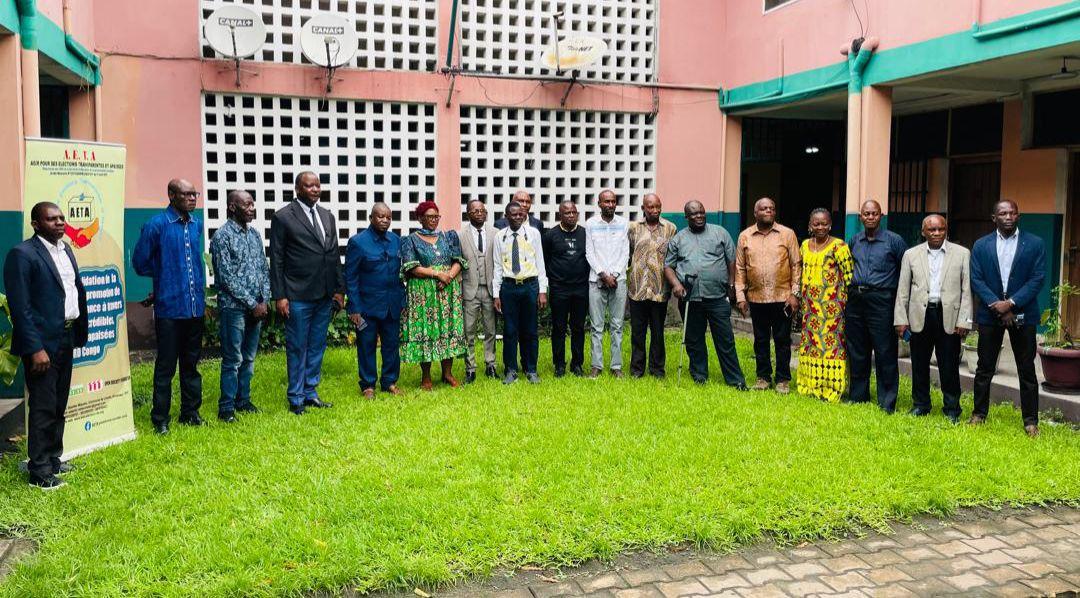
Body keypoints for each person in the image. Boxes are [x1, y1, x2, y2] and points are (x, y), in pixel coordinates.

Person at [3, 203, 88, 490]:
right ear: (36, 224)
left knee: (59, 403)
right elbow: (20, 307)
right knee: (43, 405)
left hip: (67, 336)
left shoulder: (66, 250)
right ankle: (39, 471)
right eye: (52, 219)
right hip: (42, 344)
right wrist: (35, 348)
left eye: (61, 218)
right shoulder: (22, 254)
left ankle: (53, 457)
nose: (60, 223)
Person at [132, 179, 207, 434]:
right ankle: (160, 419)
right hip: (169, 309)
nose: (192, 198)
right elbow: (140, 262)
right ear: (172, 195)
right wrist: (165, 275)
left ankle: (190, 413)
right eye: (186, 194)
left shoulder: (196, 224)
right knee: (166, 366)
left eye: (194, 194)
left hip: (194, 306)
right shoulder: (157, 224)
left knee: (191, 364)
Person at [269, 171, 343, 415]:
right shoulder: (283, 217)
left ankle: (310, 392)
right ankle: (296, 397)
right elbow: (277, 259)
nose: (315, 189)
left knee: (317, 346)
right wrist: (280, 296)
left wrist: (339, 290)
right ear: (298, 189)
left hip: (324, 294)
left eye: (317, 185)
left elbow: (333, 254)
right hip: (297, 295)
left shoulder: (327, 216)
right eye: (309, 186)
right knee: (298, 347)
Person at [970, 200, 1046, 436]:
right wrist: (998, 306)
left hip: (1022, 313)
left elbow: (1037, 278)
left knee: (1027, 369)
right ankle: (979, 414)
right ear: (994, 218)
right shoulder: (981, 245)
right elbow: (977, 279)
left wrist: (1011, 303)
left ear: (1018, 216)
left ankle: (1030, 421)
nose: (1008, 217)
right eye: (1003, 213)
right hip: (990, 314)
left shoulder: (1035, 243)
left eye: (1013, 213)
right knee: (984, 367)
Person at [894, 214, 972, 423]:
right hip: (920, 315)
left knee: (949, 365)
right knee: (919, 363)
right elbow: (903, 290)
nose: (937, 233)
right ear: (923, 232)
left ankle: (952, 409)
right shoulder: (911, 255)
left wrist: (964, 320)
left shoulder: (962, 253)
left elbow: (966, 290)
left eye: (941, 229)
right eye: (932, 230)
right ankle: (921, 405)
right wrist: (901, 319)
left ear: (946, 230)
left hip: (949, 316)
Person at [663, 200, 747, 389]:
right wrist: (676, 284)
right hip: (690, 297)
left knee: (725, 339)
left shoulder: (720, 233)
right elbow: (668, 266)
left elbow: (731, 260)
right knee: (694, 339)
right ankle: (699, 375)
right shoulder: (678, 239)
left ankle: (735, 379)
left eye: (701, 212)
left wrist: (731, 284)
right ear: (687, 217)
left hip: (717, 296)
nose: (699, 216)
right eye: (694, 214)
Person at [209, 190, 271, 423]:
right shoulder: (222, 237)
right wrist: (252, 303)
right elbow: (225, 277)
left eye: (253, 204)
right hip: (233, 308)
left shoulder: (254, 235)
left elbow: (263, 269)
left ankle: (243, 400)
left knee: (249, 358)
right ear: (232, 207)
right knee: (233, 359)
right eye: (247, 205)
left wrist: (264, 299)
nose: (252, 209)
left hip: (256, 307)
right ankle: (226, 407)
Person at [846, 199, 908, 413]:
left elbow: (905, 271)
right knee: (857, 349)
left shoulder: (894, 241)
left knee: (885, 351)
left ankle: (887, 401)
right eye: (866, 214)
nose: (870, 217)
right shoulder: (854, 241)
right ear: (860, 217)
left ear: (881, 216)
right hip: (856, 300)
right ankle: (858, 395)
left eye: (874, 213)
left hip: (882, 300)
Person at [735, 198, 801, 393]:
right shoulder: (745, 236)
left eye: (772, 208)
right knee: (760, 340)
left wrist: (795, 294)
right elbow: (740, 268)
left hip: (783, 298)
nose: (768, 211)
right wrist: (740, 296)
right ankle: (763, 377)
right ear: (755, 213)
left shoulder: (787, 234)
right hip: (756, 298)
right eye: (764, 209)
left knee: (782, 340)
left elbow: (796, 265)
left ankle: (782, 379)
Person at [399, 201, 467, 390]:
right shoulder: (410, 240)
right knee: (427, 331)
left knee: (448, 328)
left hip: (447, 291)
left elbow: (458, 261)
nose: (433, 220)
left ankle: (447, 373)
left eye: (436, 216)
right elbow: (411, 267)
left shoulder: (448, 236)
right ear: (420, 218)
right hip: (424, 294)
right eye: (429, 217)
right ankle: (426, 377)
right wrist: (437, 274)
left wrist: (448, 277)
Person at [345, 203, 405, 398]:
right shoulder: (358, 242)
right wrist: (354, 307)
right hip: (366, 307)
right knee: (366, 345)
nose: (385, 220)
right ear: (371, 218)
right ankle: (368, 384)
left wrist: (402, 300)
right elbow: (351, 277)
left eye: (388, 217)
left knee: (391, 345)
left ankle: (390, 381)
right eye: (380, 216)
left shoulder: (396, 241)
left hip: (392, 305)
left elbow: (401, 274)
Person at [796, 208, 854, 403]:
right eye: (816, 224)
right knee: (811, 345)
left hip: (832, 310)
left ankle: (833, 387)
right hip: (810, 309)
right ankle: (810, 384)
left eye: (824, 223)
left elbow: (849, 277)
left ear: (830, 225)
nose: (820, 227)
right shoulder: (804, 245)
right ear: (810, 225)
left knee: (832, 346)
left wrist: (847, 304)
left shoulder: (839, 246)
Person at [493, 201, 548, 384]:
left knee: (530, 330)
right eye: (513, 214)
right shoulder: (500, 236)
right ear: (506, 216)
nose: (518, 217)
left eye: (520, 214)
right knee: (509, 331)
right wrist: (496, 294)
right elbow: (497, 267)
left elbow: (540, 263)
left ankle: (531, 369)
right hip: (508, 287)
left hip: (529, 286)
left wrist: (542, 291)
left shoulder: (533, 234)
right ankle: (511, 370)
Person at [627, 193, 676, 378]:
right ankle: (637, 369)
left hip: (659, 289)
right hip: (637, 289)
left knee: (657, 332)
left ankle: (657, 369)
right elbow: (629, 253)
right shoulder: (633, 228)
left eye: (658, 206)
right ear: (643, 208)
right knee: (637, 332)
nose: (655, 210)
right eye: (651, 207)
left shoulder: (670, 229)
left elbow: (672, 257)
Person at [585, 189, 630, 378]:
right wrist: (603, 274)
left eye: (613, 201)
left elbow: (625, 252)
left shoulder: (623, 223)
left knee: (617, 326)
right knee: (596, 326)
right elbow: (589, 253)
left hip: (618, 281)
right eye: (606, 201)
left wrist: (615, 274)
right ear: (599, 204)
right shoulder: (591, 224)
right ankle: (596, 366)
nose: (610, 205)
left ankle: (616, 366)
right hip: (596, 281)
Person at [542, 201, 590, 377]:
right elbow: (545, 260)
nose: (571, 215)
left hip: (581, 288)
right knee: (559, 327)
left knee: (578, 327)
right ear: (559, 215)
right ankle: (559, 365)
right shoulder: (550, 235)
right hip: (559, 288)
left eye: (573, 212)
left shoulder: (585, 233)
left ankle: (577, 364)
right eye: (567, 213)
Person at [459, 199, 498, 383]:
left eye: (482, 210)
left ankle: (491, 365)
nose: (479, 213)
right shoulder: (460, 235)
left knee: (491, 330)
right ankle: (470, 369)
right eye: (475, 211)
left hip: (490, 289)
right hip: (470, 290)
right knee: (469, 331)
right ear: (468, 214)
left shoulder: (495, 233)